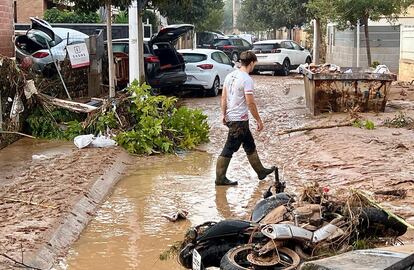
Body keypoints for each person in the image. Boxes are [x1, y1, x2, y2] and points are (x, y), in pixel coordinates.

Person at [215, 51, 275, 186]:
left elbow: (224, 97)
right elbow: (250, 103)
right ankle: (220, 178)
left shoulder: (230, 76)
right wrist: (259, 120)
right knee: (229, 148)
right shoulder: (246, 79)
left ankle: (261, 171)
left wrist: (223, 114)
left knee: (249, 144)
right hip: (239, 120)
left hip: (233, 117)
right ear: (252, 63)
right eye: (255, 64)